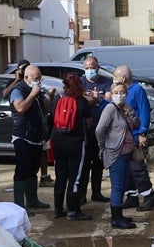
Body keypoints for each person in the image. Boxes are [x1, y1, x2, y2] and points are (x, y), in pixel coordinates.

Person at [95, 81, 141, 230]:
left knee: (123, 185)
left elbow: (136, 124)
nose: (119, 95)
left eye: (122, 92)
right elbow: (99, 129)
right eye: (116, 92)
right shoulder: (110, 109)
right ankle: (116, 219)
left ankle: (119, 215)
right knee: (117, 185)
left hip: (127, 152)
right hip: (116, 153)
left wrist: (130, 111)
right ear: (111, 94)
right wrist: (102, 146)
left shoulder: (124, 109)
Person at [115, 65, 154, 212]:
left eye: (115, 76)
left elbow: (144, 111)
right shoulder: (120, 93)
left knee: (137, 168)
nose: (113, 79)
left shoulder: (137, 90)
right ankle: (132, 196)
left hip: (135, 136)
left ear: (123, 78)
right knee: (127, 169)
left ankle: (149, 197)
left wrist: (143, 133)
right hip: (123, 137)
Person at [8, 64, 50, 214]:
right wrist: (33, 94)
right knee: (23, 170)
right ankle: (20, 205)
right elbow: (20, 108)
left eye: (39, 79)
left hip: (36, 136)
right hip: (23, 136)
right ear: (26, 78)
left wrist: (48, 96)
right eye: (35, 79)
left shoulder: (36, 90)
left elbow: (43, 107)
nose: (37, 81)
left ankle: (33, 200)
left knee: (33, 169)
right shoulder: (18, 90)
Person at [50, 72, 92, 221]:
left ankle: (57, 209)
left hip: (58, 142)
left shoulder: (57, 99)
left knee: (60, 176)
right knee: (75, 178)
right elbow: (88, 123)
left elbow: (51, 118)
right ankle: (73, 211)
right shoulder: (82, 101)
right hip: (75, 143)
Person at [78, 56, 112, 204]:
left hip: (101, 129)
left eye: (92, 67)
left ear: (97, 67)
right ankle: (81, 195)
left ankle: (96, 192)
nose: (90, 70)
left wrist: (98, 98)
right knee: (84, 164)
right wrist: (88, 99)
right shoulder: (80, 82)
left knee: (98, 163)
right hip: (85, 130)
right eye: (87, 68)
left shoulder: (106, 82)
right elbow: (77, 99)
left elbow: (110, 99)